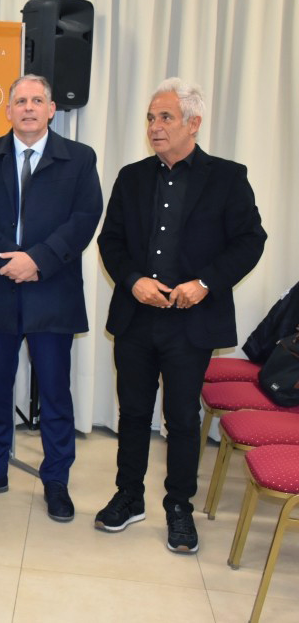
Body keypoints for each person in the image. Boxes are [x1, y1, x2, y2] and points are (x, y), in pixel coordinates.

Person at [96, 77, 266, 553]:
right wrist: (133, 280)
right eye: (150, 117)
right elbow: (111, 242)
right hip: (137, 316)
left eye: (165, 117)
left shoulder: (228, 177)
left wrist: (206, 283)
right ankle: (128, 496)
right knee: (131, 413)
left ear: (194, 122)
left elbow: (251, 241)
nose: (154, 126)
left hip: (191, 323)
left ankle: (179, 508)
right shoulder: (131, 176)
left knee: (182, 419)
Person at [0, 75, 103, 522]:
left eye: (38, 100)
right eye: (21, 101)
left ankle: (56, 479)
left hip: (51, 289)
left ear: (52, 109)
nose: (29, 108)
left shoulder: (78, 158)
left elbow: (85, 219)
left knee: (55, 392)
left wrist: (36, 260)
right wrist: (10, 260)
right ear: (8, 110)